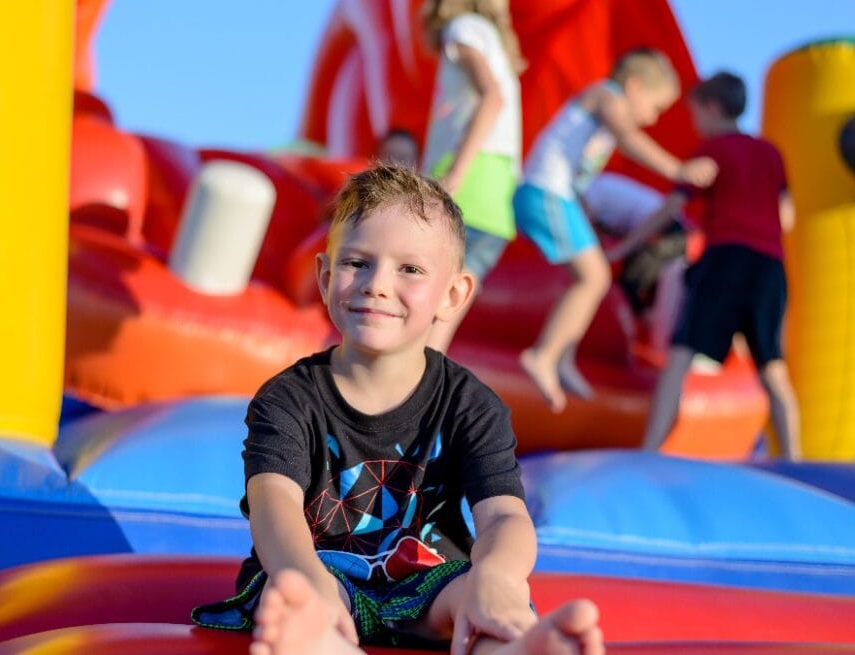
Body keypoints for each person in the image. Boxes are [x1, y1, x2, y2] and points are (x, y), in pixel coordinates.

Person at [192, 165, 604, 654]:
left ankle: (511, 649)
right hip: (320, 578)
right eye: (357, 263)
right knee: (295, 601)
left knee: (480, 596)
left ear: (453, 295)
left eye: (409, 269)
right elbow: (273, 505)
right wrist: (308, 582)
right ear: (325, 277)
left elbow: (503, 518)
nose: (376, 284)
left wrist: (496, 576)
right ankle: (323, 643)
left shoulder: (469, 404)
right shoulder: (289, 399)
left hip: (428, 589)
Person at [604, 71, 800, 459]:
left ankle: (650, 450)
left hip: (726, 260)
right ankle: (796, 460)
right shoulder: (770, 152)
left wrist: (625, 246)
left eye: (695, 114)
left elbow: (670, 209)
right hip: (769, 266)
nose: (695, 124)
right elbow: (787, 217)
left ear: (712, 108)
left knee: (680, 355)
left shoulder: (712, 150)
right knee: (772, 368)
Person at [513, 48, 718, 413]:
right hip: (544, 193)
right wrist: (677, 170)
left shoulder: (600, 113)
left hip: (560, 197)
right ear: (635, 87)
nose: (652, 119)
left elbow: (579, 172)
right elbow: (626, 135)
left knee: (589, 279)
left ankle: (562, 358)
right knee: (594, 277)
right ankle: (543, 355)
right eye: (654, 108)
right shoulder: (604, 96)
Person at [420, 0, 524, 353]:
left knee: (417, 312)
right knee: (438, 325)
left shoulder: (462, 29)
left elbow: (491, 96)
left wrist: (454, 175)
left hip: (468, 181)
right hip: (495, 195)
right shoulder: (496, 40)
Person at [584, 172, 689, 353]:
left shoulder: (590, 195)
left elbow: (587, 234)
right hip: (670, 234)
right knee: (646, 293)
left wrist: (620, 251)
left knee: (629, 288)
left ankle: (642, 345)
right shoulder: (601, 189)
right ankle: (653, 341)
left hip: (664, 234)